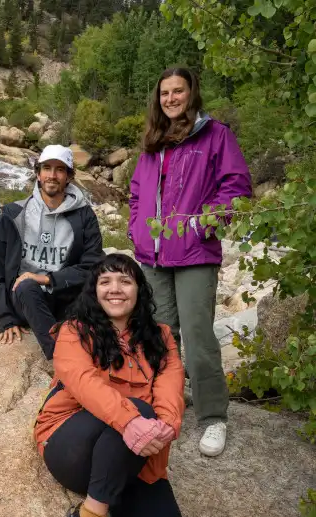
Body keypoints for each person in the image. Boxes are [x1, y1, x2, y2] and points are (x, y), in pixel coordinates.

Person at [128, 67, 252, 457]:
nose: (170, 99)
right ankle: (171, 400)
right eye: (164, 93)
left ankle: (214, 417)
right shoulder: (153, 141)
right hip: (154, 256)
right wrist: (136, 230)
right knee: (162, 334)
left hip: (196, 252)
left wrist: (203, 224)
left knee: (198, 336)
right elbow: (136, 193)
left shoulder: (216, 136)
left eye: (177, 91)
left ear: (191, 93)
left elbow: (236, 188)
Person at [34, 254, 185, 517]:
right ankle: (92, 511)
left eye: (125, 281)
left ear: (139, 289)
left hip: (136, 452)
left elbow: (170, 387)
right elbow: (83, 382)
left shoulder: (161, 337)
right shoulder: (74, 331)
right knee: (138, 410)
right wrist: (130, 421)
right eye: (105, 282)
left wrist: (166, 427)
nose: (115, 289)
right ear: (94, 291)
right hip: (72, 444)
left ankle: (112, 492)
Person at [0, 144, 104, 359]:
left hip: (66, 298)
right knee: (26, 285)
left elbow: (93, 265)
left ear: (68, 177)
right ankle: (63, 360)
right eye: (47, 168)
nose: (52, 175)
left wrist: (48, 279)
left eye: (60, 169)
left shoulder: (84, 215)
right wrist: (5, 319)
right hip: (26, 299)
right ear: (38, 174)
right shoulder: (13, 213)